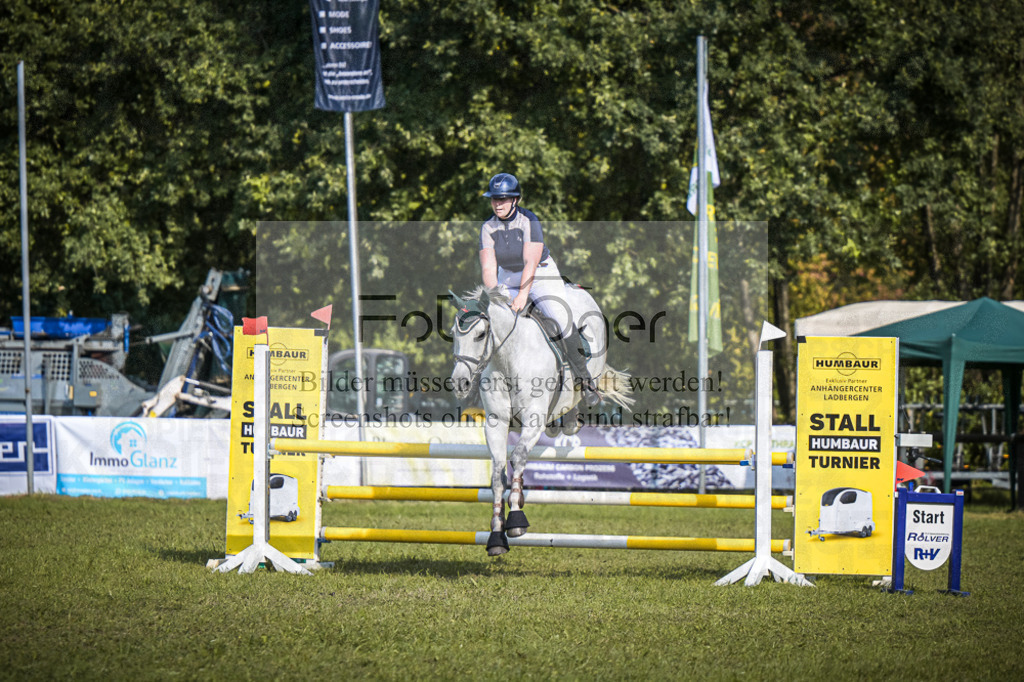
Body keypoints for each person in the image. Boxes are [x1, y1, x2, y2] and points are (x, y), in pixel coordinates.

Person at [478, 172, 601, 407]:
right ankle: (481, 384)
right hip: (507, 276)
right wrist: (494, 298)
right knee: (490, 323)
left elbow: (530, 264)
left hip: (541, 274)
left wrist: (523, 295)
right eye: (494, 199)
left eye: (503, 199)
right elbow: (488, 268)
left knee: (560, 319)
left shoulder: (529, 221)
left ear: (516, 200)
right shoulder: (487, 227)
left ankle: (585, 383)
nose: (497, 204)